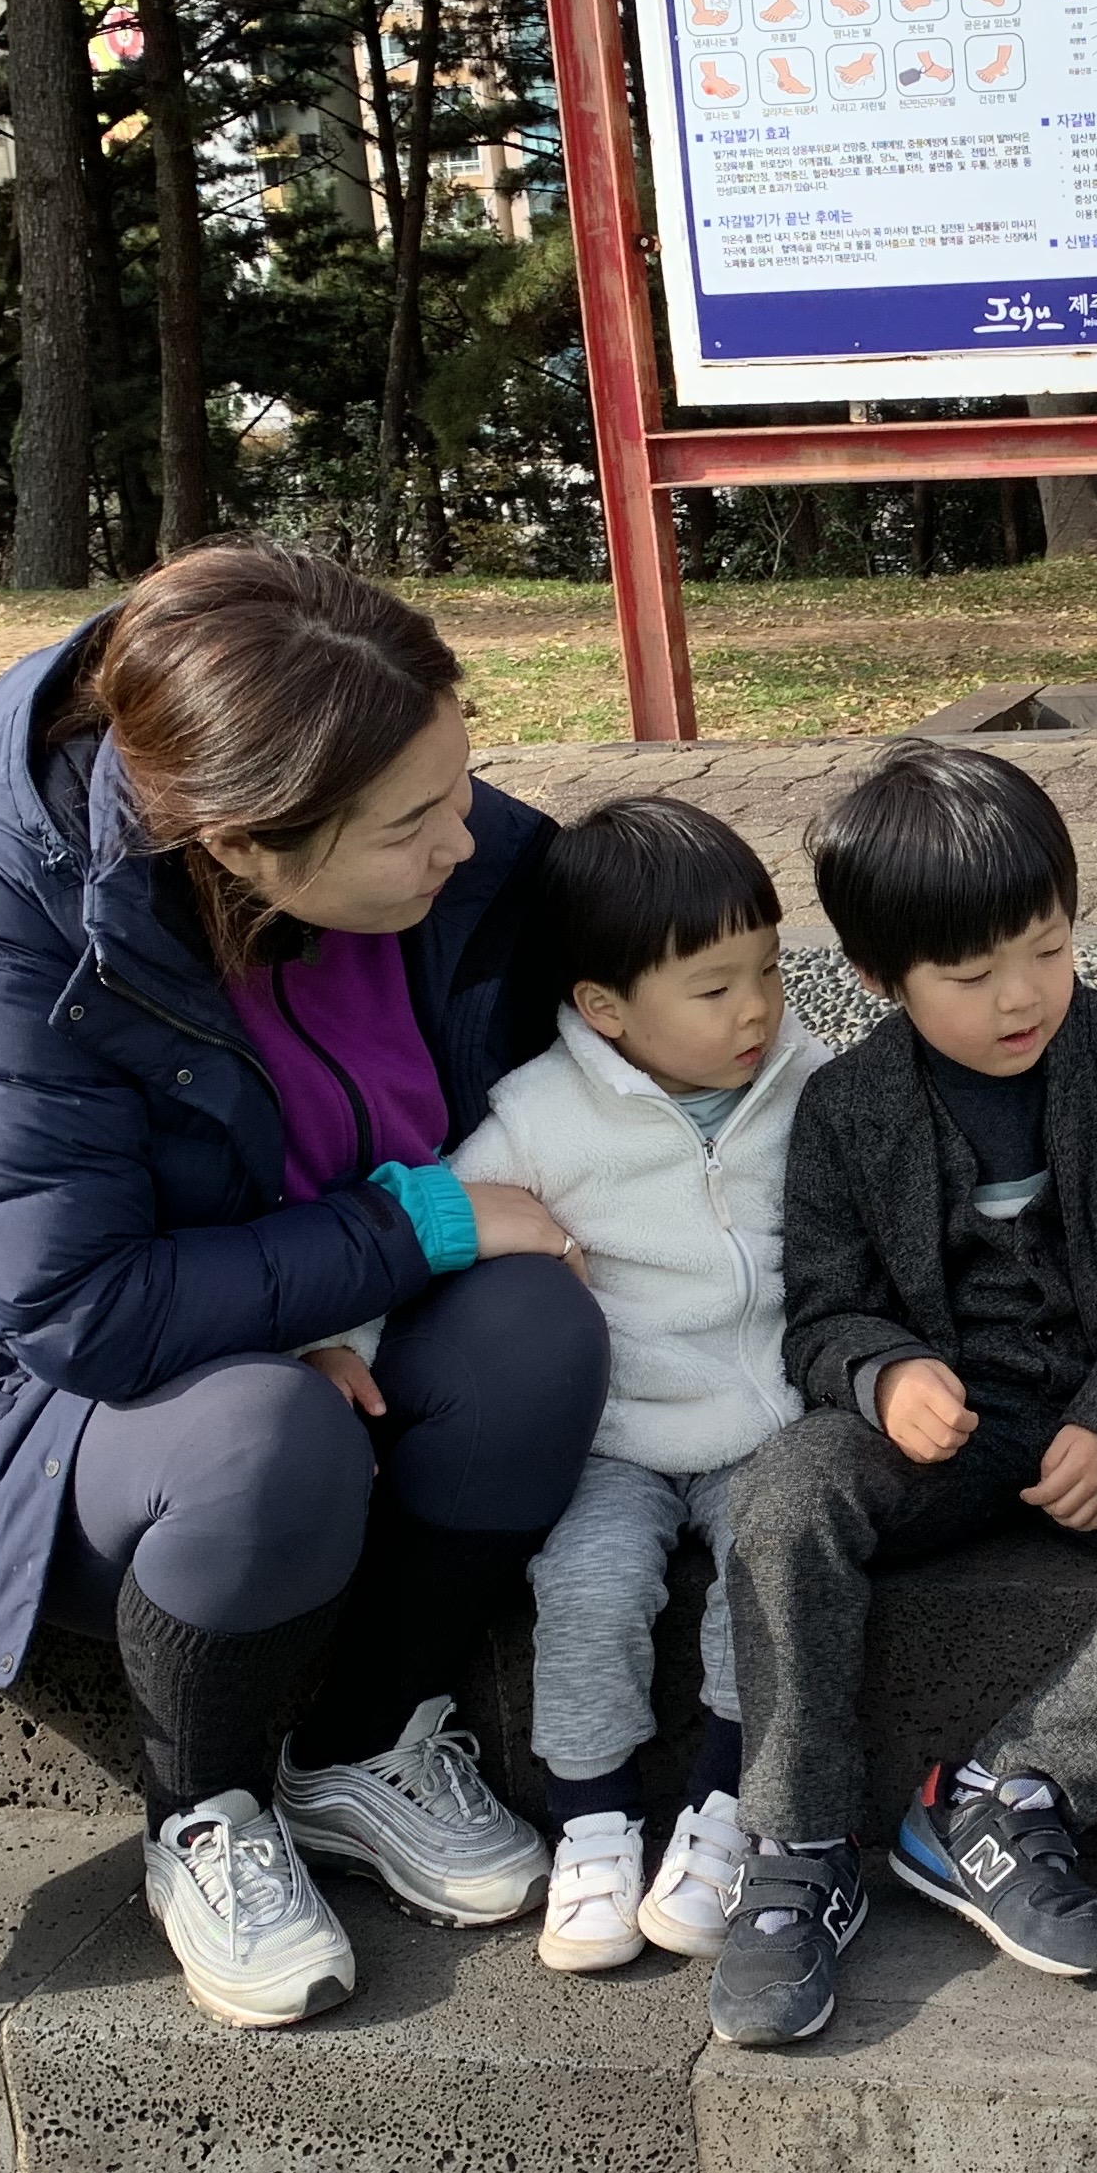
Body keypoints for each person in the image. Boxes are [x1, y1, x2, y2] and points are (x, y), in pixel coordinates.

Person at [0, 546, 606, 2034]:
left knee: (534, 1332)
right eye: (411, 823)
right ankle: (205, 1811)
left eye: (462, 780)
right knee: (262, 1434)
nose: (464, 837)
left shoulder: (457, 869)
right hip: (22, 1410)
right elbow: (83, 1308)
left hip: (300, 1304)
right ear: (238, 840)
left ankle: (361, 1746)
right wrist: (407, 1233)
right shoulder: (15, 931)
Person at [708, 741, 1097, 2049]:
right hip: (940, 1434)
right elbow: (822, 1313)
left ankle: (1006, 1794)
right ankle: (797, 1845)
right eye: (970, 973)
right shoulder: (846, 1107)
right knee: (782, 1498)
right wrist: (885, 1374)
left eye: (1048, 947)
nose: (1021, 994)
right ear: (878, 977)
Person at [311, 795, 803, 1975]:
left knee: (768, 1583)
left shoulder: (808, 1083)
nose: (756, 1009)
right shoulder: (540, 1115)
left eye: (770, 969)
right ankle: (596, 1824)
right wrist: (340, 1340)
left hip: (767, 1425)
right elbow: (428, 1223)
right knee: (587, 1588)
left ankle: (726, 1808)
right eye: (714, 986)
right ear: (605, 1007)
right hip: (615, 1436)